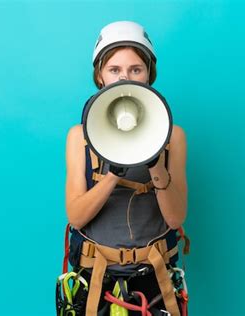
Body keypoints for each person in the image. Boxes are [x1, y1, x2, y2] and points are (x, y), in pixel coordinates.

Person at [64, 21, 188, 316]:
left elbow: (175, 218)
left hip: (152, 280)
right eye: (114, 70)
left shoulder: (173, 137)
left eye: (135, 69)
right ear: (100, 76)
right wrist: (113, 174)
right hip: (96, 280)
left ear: (148, 74)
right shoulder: (78, 137)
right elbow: (77, 217)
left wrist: (156, 166)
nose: (125, 78)